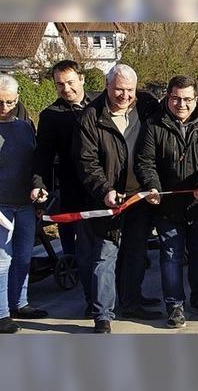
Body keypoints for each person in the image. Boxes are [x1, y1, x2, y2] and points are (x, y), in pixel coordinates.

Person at [72, 64, 161, 333]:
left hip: (139, 196)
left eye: (130, 90)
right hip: (107, 198)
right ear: (107, 85)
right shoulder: (90, 117)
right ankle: (103, 314)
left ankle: (131, 301)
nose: (125, 95)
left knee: (135, 252)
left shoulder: (146, 106)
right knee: (105, 256)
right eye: (119, 89)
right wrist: (105, 191)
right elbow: (86, 162)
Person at [135, 75, 198, 329]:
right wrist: (152, 186)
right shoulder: (154, 125)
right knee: (171, 256)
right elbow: (145, 161)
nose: (181, 104)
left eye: (187, 99)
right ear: (168, 97)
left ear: (197, 98)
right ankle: (174, 305)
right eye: (175, 98)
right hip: (167, 205)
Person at [31, 60, 93, 317]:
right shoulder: (51, 115)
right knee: (72, 232)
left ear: (81, 79)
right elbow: (43, 155)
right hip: (72, 184)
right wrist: (38, 184)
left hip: (105, 186)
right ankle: (74, 265)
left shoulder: (99, 105)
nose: (65, 89)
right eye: (59, 84)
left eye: (69, 82)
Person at [0, 75, 48, 334]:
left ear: (17, 99)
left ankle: (20, 302)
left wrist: (38, 191)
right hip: (1, 208)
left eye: (9, 102)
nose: (4, 107)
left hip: (25, 204)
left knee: (23, 256)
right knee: (2, 260)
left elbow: (34, 164)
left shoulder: (25, 127)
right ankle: (2, 313)